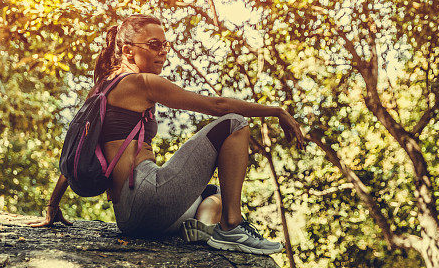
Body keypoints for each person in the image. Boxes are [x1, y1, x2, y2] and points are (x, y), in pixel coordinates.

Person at [30, 14, 306, 255]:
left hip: (129, 219)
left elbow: (78, 150)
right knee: (234, 123)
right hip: (149, 196)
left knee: (217, 193)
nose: (163, 52)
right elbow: (217, 106)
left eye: (165, 45)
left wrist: (53, 206)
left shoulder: (102, 89)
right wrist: (276, 111)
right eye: (153, 45)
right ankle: (231, 227)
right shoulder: (141, 82)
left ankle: (205, 227)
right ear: (128, 51)